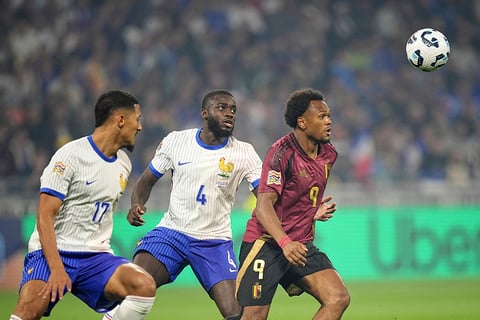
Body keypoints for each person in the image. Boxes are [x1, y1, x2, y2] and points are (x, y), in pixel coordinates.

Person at [113, 89, 262, 320]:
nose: (229, 113)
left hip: (214, 241)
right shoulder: (176, 141)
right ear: (205, 113)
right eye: (221, 108)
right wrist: (136, 204)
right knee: (133, 288)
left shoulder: (244, 153)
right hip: (172, 233)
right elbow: (145, 182)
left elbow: (266, 195)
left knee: (235, 314)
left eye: (233, 109)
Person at [10, 90, 156, 320]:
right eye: (137, 120)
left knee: (144, 286)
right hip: (53, 254)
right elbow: (44, 216)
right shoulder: (70, 156)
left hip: (95, 258)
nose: (139, 127)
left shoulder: (124, 164)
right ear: (120, 120)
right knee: (28, 312)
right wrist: (57, 268)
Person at [236, 88, 350, 320]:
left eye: (329, 116)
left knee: (337, 298)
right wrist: (285, 243)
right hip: (267, 243)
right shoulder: (280, 154)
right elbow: (264, 206)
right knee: (254, 317)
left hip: (299, 245)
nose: (329, 121)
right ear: (302, 122)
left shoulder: (329, 154)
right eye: (321, 116)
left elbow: (301, 193)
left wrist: (311, 211)